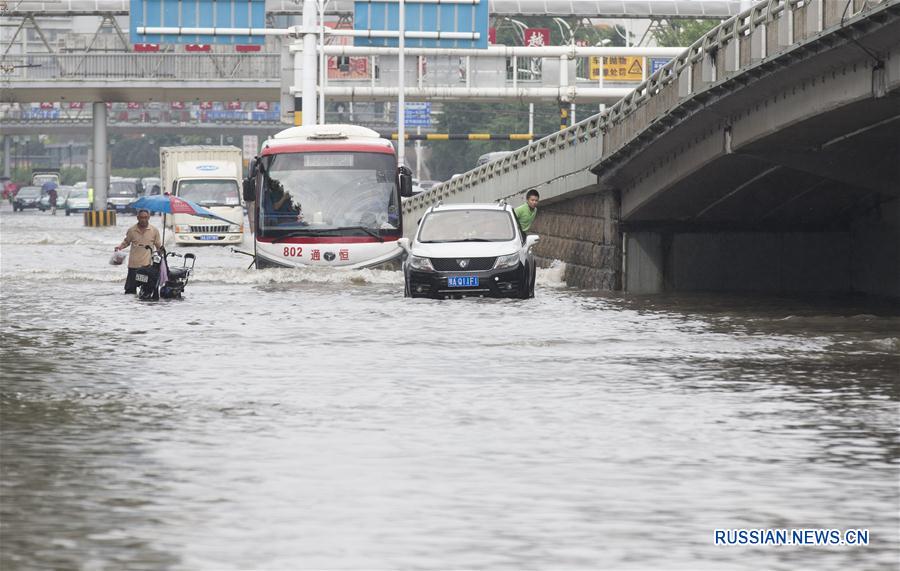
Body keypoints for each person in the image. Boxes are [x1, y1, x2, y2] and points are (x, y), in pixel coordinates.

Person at [114, 209, 162, 294]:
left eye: (145, 217)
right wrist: (119, 247)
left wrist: (161, 256)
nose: (143, 220)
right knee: (130, 291)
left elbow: (158, 246)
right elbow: (126, 242)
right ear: (137, 218)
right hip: (133, 265)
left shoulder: (154, 230)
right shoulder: (131, 230)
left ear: (149, 218)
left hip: (147, 266)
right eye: (141, 217)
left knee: (147, 290)